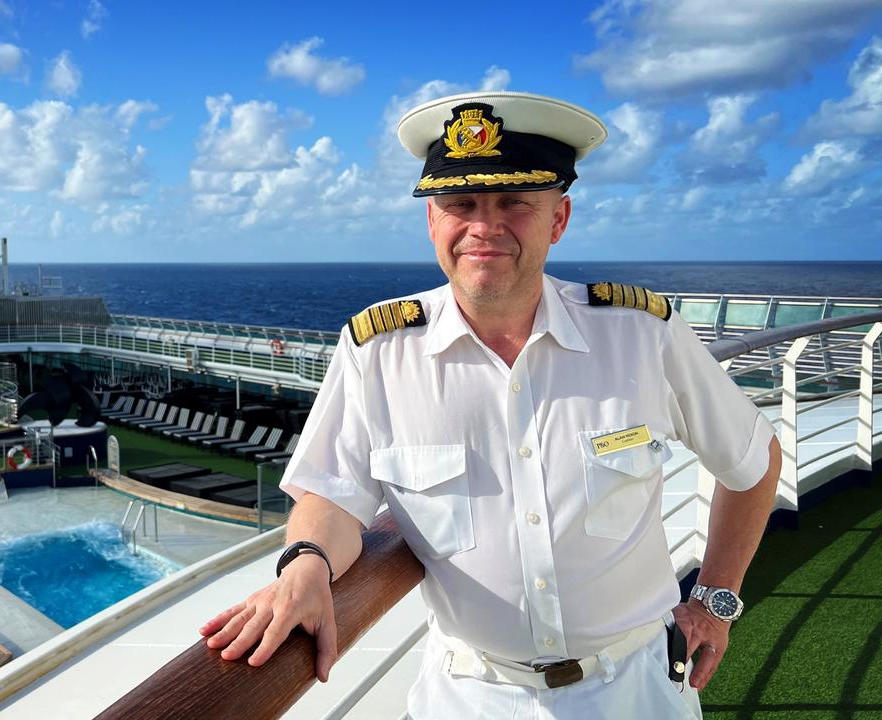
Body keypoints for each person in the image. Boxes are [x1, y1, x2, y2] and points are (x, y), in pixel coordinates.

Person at [199, 90, 781, 719]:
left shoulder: (642, 335)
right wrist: (305, 566)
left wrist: (717, 600)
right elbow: (331, 494)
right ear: (432, 222)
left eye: (514, 204)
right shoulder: (380, 350)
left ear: (558, 220)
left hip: (636, 688)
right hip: (469, 695)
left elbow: (753, 461)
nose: (484, 226)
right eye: (461, 203)